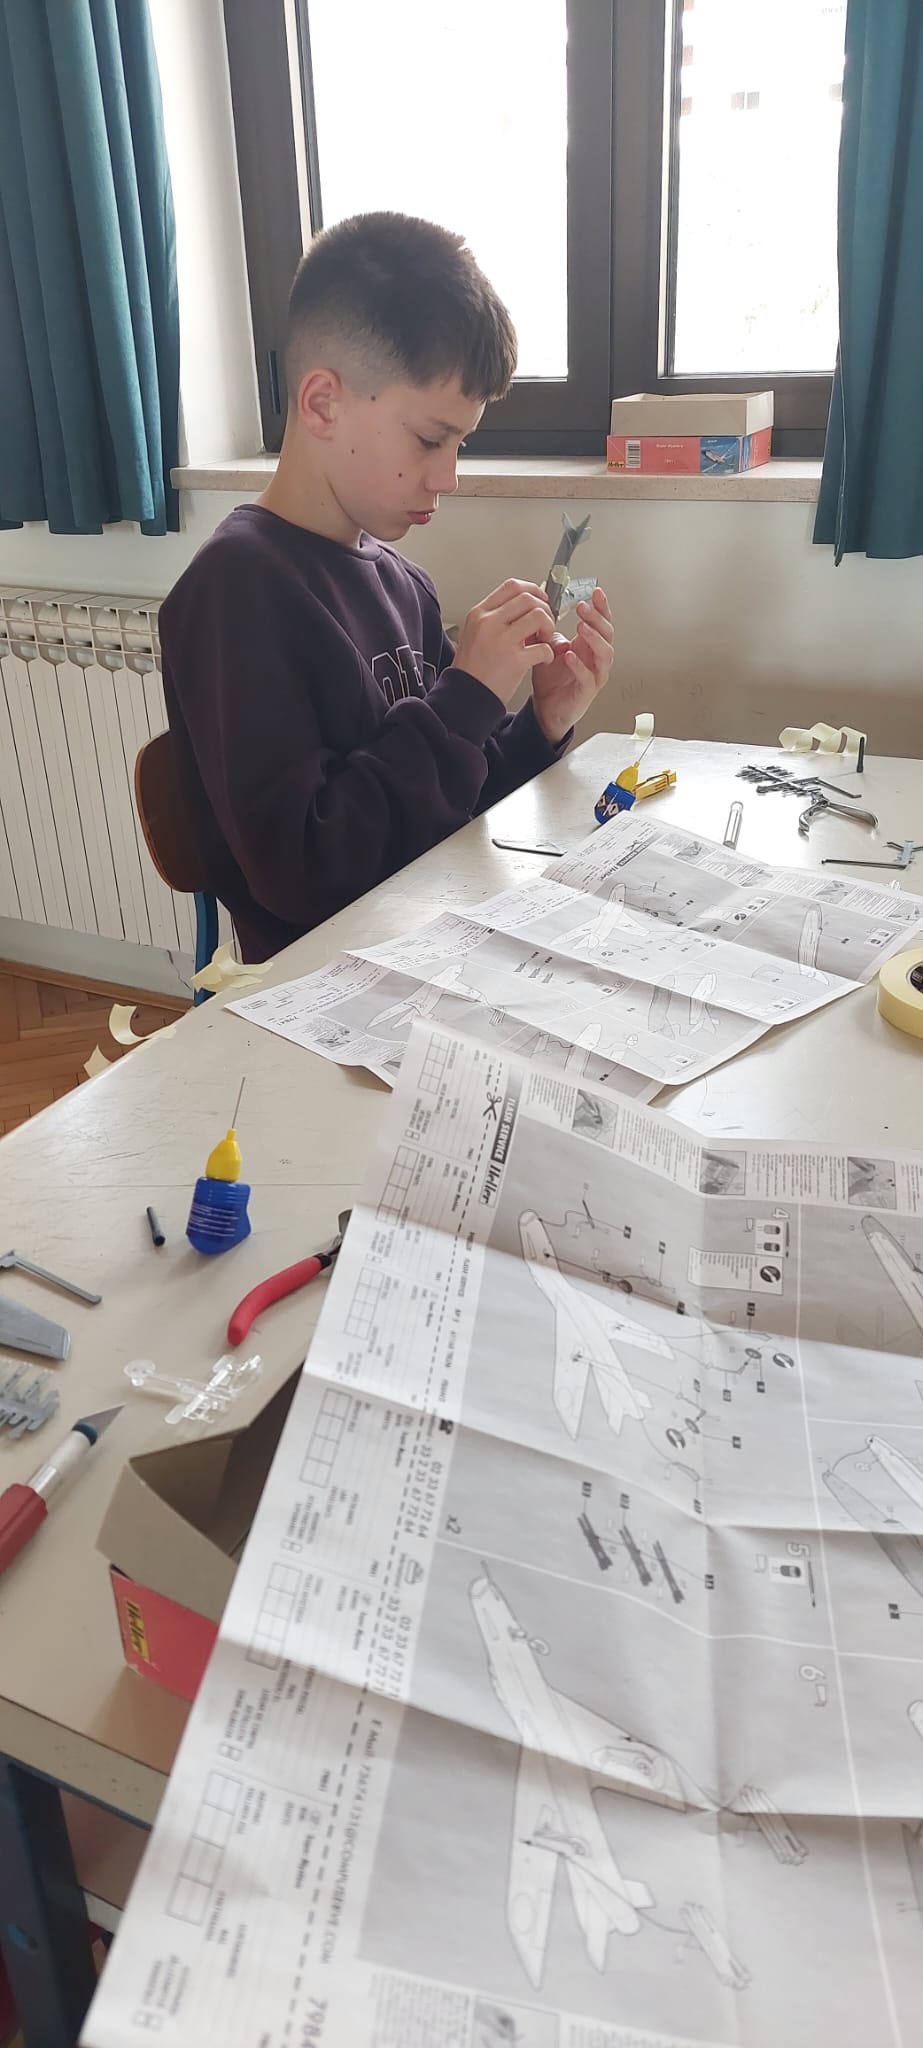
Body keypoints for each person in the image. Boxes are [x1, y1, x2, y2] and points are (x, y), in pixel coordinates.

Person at [159, 212, 614, 962]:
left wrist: (537, 724)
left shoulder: (405, 586)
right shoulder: (236, 592)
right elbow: (304, 875)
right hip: (320, 990)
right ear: (322, 404)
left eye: (460, 442)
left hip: (432, 943)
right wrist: (465, 696)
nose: (449, 476)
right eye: (431, 439)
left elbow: (450, 805)